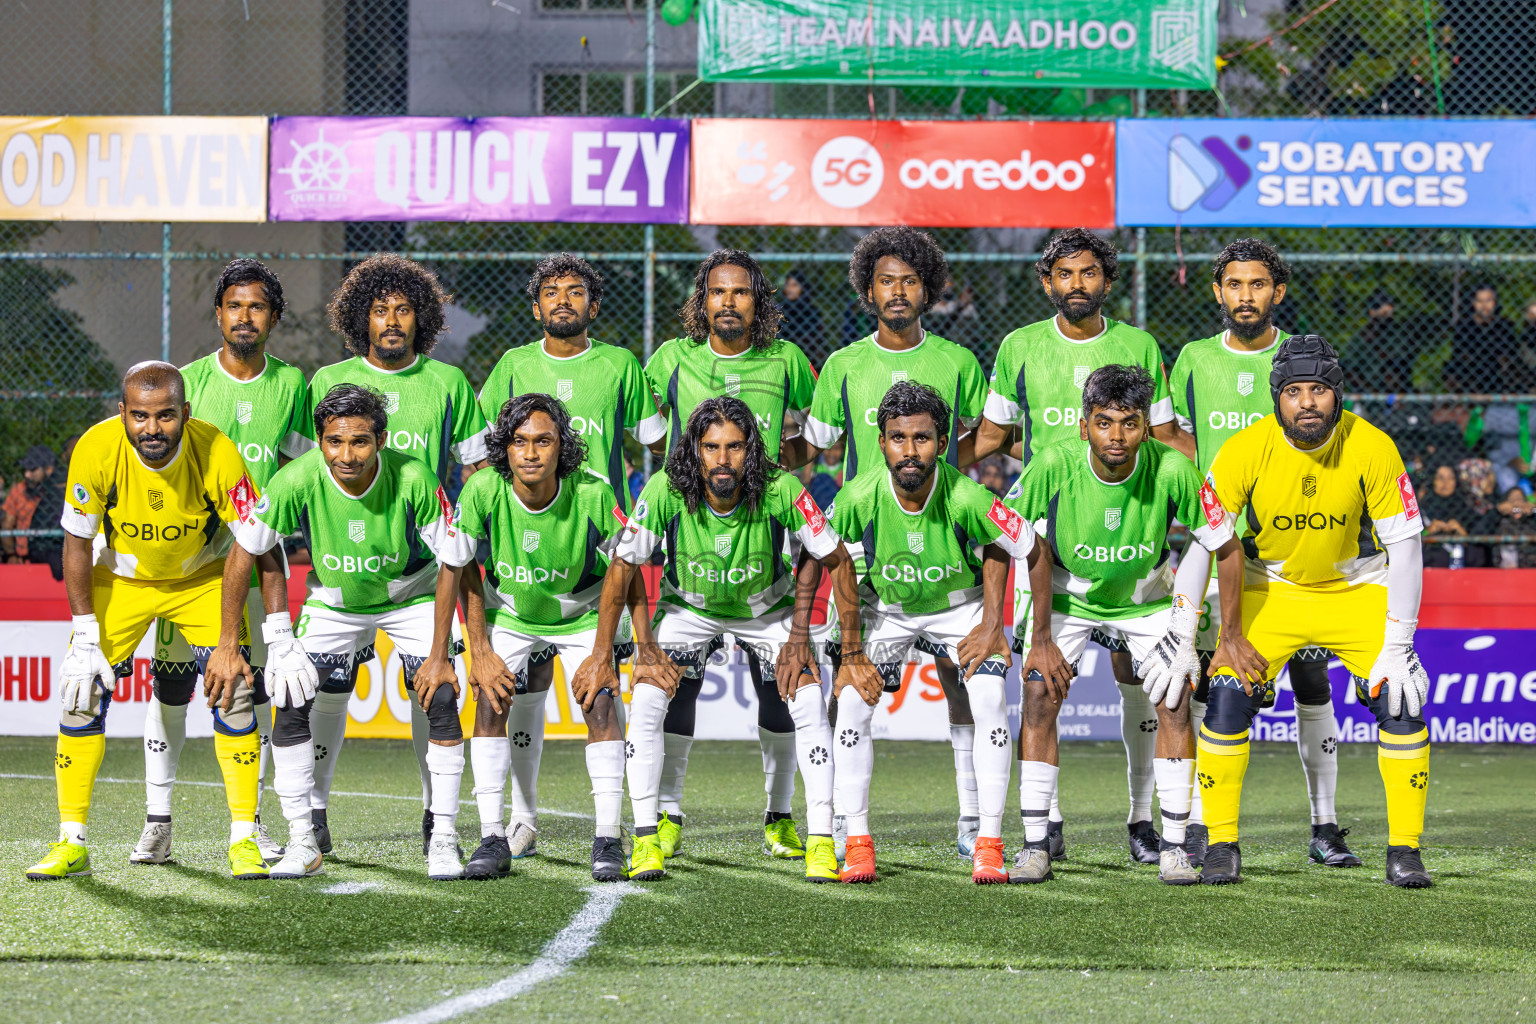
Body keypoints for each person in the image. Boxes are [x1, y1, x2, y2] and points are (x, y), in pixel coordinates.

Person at [571, 397, 879, 882]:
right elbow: (622, 567)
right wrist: (617, 650)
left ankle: (818, 837)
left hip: (766, 610)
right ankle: (650, 835)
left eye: (735, 447)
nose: (722, 458)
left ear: (750, 451)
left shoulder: (781, 489)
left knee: (808, 699)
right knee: (649, 695)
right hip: (689, 610)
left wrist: (818, 641)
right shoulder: (666, 489)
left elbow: (837, 560)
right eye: (711, 447)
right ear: (694, 450)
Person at [972, 228, 1195, 866]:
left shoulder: (1139, 345)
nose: (1077, 284)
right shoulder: (1019, 346)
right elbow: (994, 432)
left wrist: (1218, 484)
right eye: (1065, 274)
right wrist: (929, 468)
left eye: (1089, 273)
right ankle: (1048, 827)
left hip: (1134, 548)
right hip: (1054, 546)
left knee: (1147, 686)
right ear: (1048, 282)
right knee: (1042, 688)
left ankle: (1143, 821)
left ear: (1106, 279)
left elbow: (1166, 437)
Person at [208, 384, 475, 879]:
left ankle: (444, 835)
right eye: (334, 442)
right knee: (288, 696)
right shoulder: (296, 478)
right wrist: (240, 641)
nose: (346, 455)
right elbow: (245, 551)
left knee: (440, 698)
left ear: (381, 439)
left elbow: (453, 562)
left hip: (409, 596)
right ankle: (302, 840)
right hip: (333, 603)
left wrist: (442, 651)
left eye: (359, 443)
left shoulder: (414, 477)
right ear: (319, 439)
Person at [787, 226, 993, 860]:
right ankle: (850, 831)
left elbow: (992, 434)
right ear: (867, 291)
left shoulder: (958, 361)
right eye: (885, 281)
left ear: (926, 289)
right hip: (867, 568)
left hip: (945, 552)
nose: (897, 291)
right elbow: (816, 446)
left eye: (909, 280)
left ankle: (972, 822)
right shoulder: (844, 365)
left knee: (964, 685)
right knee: (852, 686)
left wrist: (934, 472)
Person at [1197, 335, 1432, 887]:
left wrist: (1399, 647)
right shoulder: (1242, 448)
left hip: (1353, 588)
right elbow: (1206, 542)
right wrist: (1190, 633)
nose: (1307, 402)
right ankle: (1221, 845)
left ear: (1337, 396)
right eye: (1295, 391)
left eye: (1319, 390)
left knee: (1402, 699)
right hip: (1269, 591)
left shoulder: (1374, 446)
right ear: (1277, 398)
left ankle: (1406, 851)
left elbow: (1406, 548)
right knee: (1226, 700)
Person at [26, 362, 272, 881]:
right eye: (139, 416)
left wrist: (243, 636)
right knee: (79, 692)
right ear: (123, 413)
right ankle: (72, 842)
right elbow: (75, 540)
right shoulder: (95, 449)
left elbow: (258, 540)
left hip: (201, 579)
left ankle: (244, 839)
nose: (151, 429)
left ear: (185, 413)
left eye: (164, 416)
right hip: (120, 582)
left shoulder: (218, 451)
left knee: (236, 693)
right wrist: (86, 635)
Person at [1006, 365, 1240, 886]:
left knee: (1174, 696)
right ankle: (1035, 844)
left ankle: (1175, 847)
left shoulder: (1173, 469)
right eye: (1105, 422)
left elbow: (1225, 544)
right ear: (1084, 423)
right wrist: (1036, 635)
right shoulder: (1053, 463)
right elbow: (1006, 537)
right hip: (1069, 597)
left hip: (1145, 600)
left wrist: (1229, 637)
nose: (1117, 437)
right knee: (1038, 694)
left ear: (1145, 426)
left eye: (1130, 424)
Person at [1168, 239, 1358, 870]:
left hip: (1292, 549)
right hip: (1222, 548)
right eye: (1233, 284)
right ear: (1216, 292)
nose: (1245, 295)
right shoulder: (1193, 359)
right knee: (1208, 679)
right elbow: (1179, 444)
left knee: (1311, 677)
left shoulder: (1304, 358)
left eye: (1258, 285)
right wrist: (1207, 513)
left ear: (1278, 292)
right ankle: (1202, 826)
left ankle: (1325, 825)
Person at [471, 254, 665, 861]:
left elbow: (654, 444)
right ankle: (517, 823)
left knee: (597, 693)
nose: (563, 302)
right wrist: (504, 507)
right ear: (536, 307)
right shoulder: (510, 366)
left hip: (590, 554)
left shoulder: (620, 366)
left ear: (593, 304)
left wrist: (625, 513)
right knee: (512, 692)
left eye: (575, 292)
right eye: (551, 293)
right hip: (522, 564)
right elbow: (483, 455)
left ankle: (609, 835)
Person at [307, 254, 489, 853]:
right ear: (362, 317)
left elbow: (480, 471)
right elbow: (310, 473)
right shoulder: (328, 382)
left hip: (419, 579)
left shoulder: (449, 384)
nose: (391, 320)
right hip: (342, 579)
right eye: (380, 310)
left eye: (403, 310)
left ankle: (438, 822)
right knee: (320, 691)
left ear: (422, 318)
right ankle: (312, 816)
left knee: (435, 689)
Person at [135, 258, 312, 868]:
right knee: (172, 684)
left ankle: (251, 823)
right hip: (188, 565)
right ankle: (159, 821)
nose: (245, 316)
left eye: (257, 306)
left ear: (273, 317)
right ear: (218, 315)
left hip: (259, 562)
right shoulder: (186, 383)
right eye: (234, 305)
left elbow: (301, 469)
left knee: (250, 689)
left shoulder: (293, 386)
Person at [643, 251, 819, 861]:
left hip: (762, 567)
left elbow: (816, 440)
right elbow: (654, 440)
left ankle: (779, 817)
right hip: (691, 554)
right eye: (718, 292)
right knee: (679, 686)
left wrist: (764, 475)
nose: (728, 302)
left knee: (778, 689)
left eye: (741, 293)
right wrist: (695, 474)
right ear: (703, 299)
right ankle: (665, 816)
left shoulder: (788, 361)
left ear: (757, 301)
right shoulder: (669, 360)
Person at [431, 393, 650, 881]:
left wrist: (607, 651)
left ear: (561, 448)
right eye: (519, 441)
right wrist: (469, 650)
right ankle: (492, 838)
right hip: (509, 612)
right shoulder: (484, 489)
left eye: (543, 441)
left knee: (600, 703)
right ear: (505, 449)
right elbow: (454, 568)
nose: (530, 452)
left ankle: (608, 840)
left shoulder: (593, 493)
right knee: (489, 700)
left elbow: (628, 565)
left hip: (580, 612)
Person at [826, 382, 1038, 884]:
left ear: (942, 444)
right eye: (897, 438)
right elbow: (832, 562)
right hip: (890, 609)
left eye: (922, 438)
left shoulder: (967, 495)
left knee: (987, 697)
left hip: (958, 608)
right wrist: (851, 651)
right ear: (881, 442)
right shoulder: (857, 495)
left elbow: (1019, 543)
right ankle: (855, 839)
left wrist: (992, 624)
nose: (910, 450)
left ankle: (987, 839)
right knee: (853, 702)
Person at [3, 445, 64, 579]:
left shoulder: (60, 492)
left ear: (49, 469)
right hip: (23, 559)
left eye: (32, 469)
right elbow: (7, 525)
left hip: (56, 555)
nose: (27, 475)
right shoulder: (19, 490)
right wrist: (11, 554)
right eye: (25, 469)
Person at [1420, 464, 1493, 568]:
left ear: (1456, 483)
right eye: (1440, 478)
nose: (1445, 483)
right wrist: (1429, 531)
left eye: (1450, 478)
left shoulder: (1466, 509)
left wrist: (1462, 532)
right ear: (1433, 481)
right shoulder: (1423, 508)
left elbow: (1482, 537)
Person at [1447, 285, 1516, 394]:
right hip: (1471, 374)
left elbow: (1510, 354)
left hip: (1498, 374)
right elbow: (1459, 354)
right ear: (1473, 303)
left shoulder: (1505, 325)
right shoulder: (1464, 326)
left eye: (1488, 300)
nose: (1484, 306)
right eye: (1479, 301)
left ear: (1495, 302)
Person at [778, 269, 825, 357]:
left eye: (795, 285)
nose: (790, 289)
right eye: (787, 284)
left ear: (803, 287)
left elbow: (819, 339)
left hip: (807, 355)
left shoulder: (812, 311)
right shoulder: (778, 310)